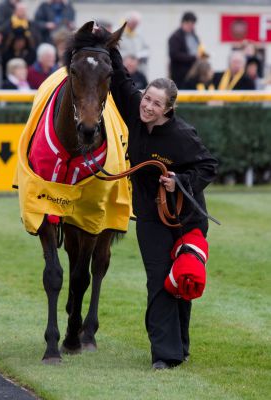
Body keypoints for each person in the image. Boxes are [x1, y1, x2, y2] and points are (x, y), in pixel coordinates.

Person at [109, 46, 218, 369]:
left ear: (169, 109)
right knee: (159, 280)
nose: (148, 106)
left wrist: (179, 181)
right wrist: (108, 44)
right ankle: (165, 354)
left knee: (183, 279)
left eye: (156, 103)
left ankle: (180, 345)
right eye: (147, 99)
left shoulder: (182, 135)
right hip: (149, 216)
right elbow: (121, 81)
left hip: (187, 218)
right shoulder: (134, 108)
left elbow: (208, 166)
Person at [168, 12, 207, 89]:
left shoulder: (193, 35)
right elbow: (174, 55)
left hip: (193, 74)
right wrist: (193, 57)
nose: (191, 27)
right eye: (190, 24)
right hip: (181, 75)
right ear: (183, 23)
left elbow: (198, 48)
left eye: (193, 25)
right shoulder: (175, 37)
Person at [119, 11, 149, 76]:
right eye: (134, 23)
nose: (135, 26)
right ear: (128, 22)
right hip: (124, 70)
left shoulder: (139, 35)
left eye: (137, 24)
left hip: (139, 69)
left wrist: (139, 58)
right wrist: (128, 59)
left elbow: (146, 49)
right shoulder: (119, 34)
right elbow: (115, 51)